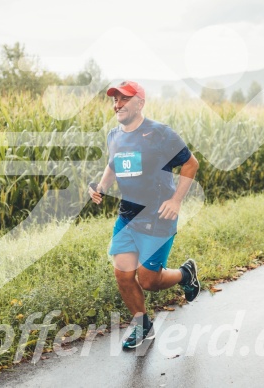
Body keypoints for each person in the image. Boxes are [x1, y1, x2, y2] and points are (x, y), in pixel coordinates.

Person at [88, 80, 200, 350]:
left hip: (158, 216)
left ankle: (185, 274)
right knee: (124, 275)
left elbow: (190, 163)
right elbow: (113, 165)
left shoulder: (160, 133)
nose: (118, 104)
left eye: (124, 99)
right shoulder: (114, 135)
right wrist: (101, 186)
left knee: (149, 281)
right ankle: (142, 326)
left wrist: (176, 200)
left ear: (140, 103)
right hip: (127, 216)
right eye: (115, 99)